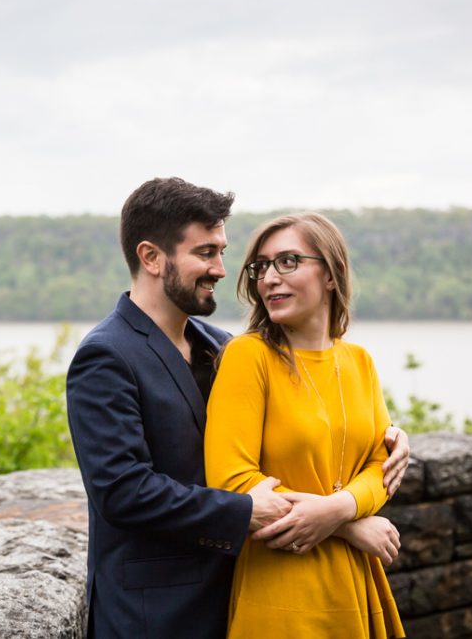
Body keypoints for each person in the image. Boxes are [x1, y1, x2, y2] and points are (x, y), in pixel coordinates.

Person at [67, 179, 410, 639]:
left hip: (233, 592)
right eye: (206, 253)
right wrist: (339, 522)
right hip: (155, 613)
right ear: (151, 257)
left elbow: (298, 431)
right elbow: (123, 491)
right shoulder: (106, 355)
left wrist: (389, 439)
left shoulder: (219, 347)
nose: (222, 270)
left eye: (223, 253)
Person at [205, 212, 406, 638]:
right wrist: (349, 525)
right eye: (261, 267)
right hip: (281, 585)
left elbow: (382, 468)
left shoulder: (359, 362)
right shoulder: (249, 356)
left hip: (355, 582)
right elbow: (232, 481)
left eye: (288, 261)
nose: (269, 278)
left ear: (332, 274)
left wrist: (337, 510)